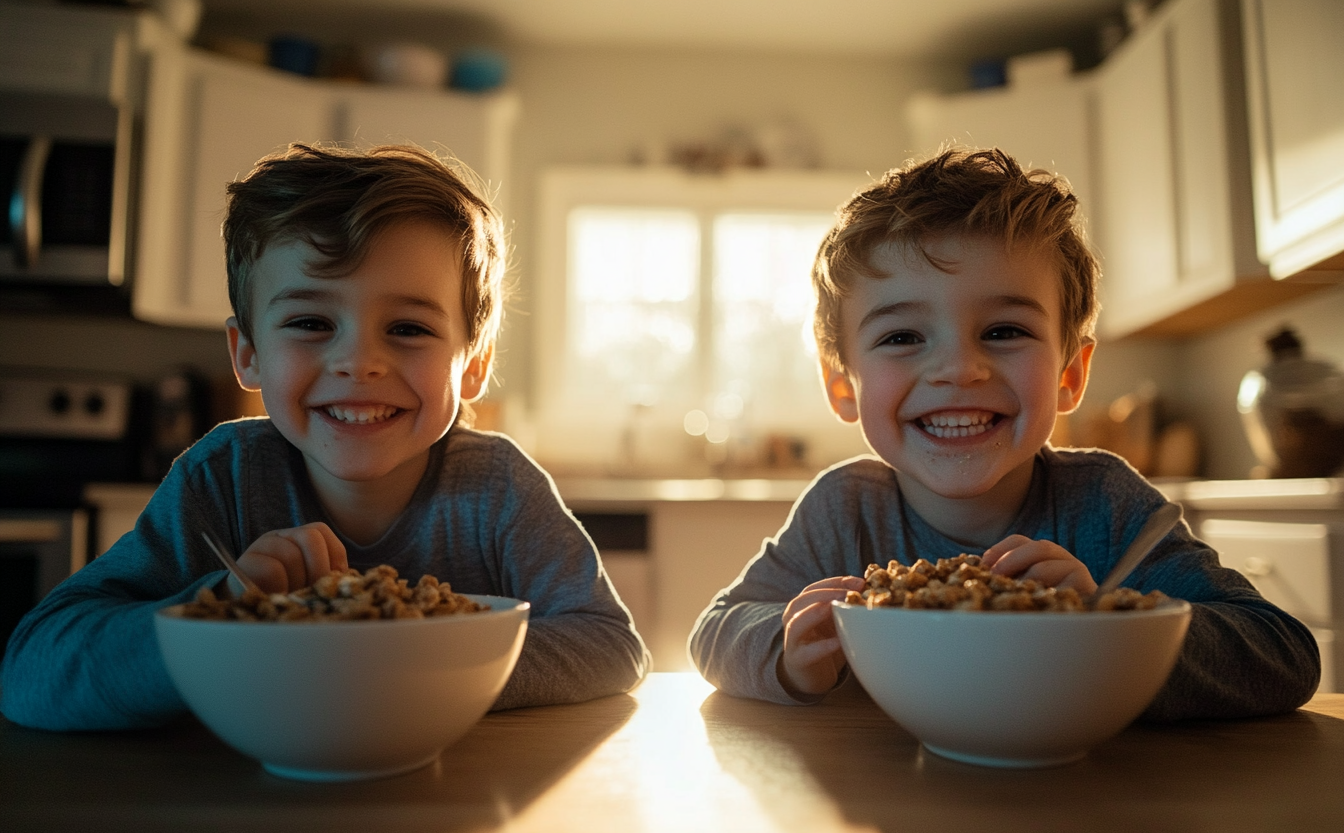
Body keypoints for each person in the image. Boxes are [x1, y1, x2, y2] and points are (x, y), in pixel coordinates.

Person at [1, 143, 649, 731]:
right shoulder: (221, 476)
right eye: (311, 321)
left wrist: (404, 667)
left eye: (409, 329)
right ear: (248, 353)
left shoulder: (499, 487)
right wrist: (221, 617)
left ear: (473, 363)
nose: (358, 362)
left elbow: (611, 645)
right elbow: (30, 671)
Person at [688, 147, 1320, 720]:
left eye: (1004, 331)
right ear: (844, 387)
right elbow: (715, 631)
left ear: (1070, 374)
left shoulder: (1106, 504)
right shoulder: (844, 512)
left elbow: (1284, 654)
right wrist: (789, 652)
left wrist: (1103, 625)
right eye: (902, 337)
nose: (960, 369)